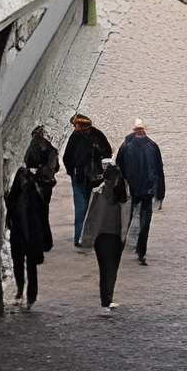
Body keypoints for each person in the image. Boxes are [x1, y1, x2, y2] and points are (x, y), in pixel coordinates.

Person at [76, 157, 130, 311]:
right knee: (109, 269)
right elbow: (93, 218)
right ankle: (106, 300)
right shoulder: (120, 194)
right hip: (111, 236)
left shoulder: (110, 193)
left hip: (107, 237)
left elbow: (91, 217)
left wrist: (87, 239)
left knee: (108, 269)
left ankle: (107, 298)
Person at [114, 118, 165, 264]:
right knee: (142, 222)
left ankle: (125, 248)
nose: (140, 132)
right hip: (144, 191)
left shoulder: (126, 146)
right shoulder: (152, 146)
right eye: (139, 129)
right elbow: (159, 171)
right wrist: (160, 193)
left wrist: (118, 191)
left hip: (134, 191)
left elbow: (119, 169)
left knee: (127, 220)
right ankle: (139, 252)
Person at [3, 158, 52, 309]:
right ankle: (19, 290)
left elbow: (43, 216)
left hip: (31, 236)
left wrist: (44, 237)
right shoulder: (15, 197)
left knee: (31, 267)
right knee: (18, 264)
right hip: (19, 235)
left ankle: (31, 296)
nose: (23, 182)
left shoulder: (35, 196)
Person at [62, 112, 112, 247]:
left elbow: (107, 154)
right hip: (82, 179)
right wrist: (73, 172)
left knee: (88, 209)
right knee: (83, 209)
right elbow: (67, 158)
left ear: (81, 125)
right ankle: (81, 237)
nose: (74, 127)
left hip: (92, 180)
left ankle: (85, 237)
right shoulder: (83, 136)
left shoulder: (92, 136)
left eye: (76, 125)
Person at [24, 123, 60, 201]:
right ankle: (38, 136)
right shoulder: (52, 166)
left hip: (37, 164)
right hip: (40, 167)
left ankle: (36, 135)